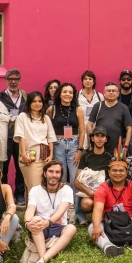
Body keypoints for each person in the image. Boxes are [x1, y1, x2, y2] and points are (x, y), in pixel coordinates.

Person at [23, 161, 78, 263]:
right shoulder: (35, 190)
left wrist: (48, 222)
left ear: (61, 174)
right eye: (51, 171)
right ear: (45, 173)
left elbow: (61, 211)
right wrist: (27, 223)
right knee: (36, 219)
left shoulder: (67, 189)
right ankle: (44, 260)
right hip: (40, 227)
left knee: (72, 228)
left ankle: (41, 261)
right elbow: (30, 209)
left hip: (58, 227)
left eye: (57, 172)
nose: (54, 175)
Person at [46, 83, 85, 222]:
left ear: (74, 95)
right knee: (59, 178)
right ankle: (60, 213)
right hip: (58, 145)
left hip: (74, 145)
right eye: (64, 92)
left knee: (75, 179)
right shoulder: (52, 109)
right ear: (59, 93)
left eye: (70, 92)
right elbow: (47, 128)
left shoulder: (78, 110)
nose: (67, 94)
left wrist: (80, 149)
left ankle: (76, 213)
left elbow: (82, 131)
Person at [14, 91, 56, 203]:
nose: (37, 104)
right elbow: (21, 136)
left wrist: (51, 155)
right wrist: (23, 154)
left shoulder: (45, 118)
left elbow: (51, 137)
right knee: (34, 188)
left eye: (40, 101)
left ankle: (34, 212)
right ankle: (33, 212)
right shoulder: (22, 117)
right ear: (29, 103)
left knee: (42, 188)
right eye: (34, 101)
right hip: (30, 157)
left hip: (45, 157)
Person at [0, 69, 27, 204]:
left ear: (20, 80)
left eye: (16, 79)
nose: (13, 82)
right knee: (3, 166)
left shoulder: (25, 96)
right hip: (5, 137)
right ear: (6, 81)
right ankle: (3, 193)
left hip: (21, 137)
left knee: (20, 166)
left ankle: (19, 195)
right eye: (10, 79)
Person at [75, 127, 112, 224]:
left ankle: (101, 216)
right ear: (92, 138)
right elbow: (76, 182)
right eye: (97, 136)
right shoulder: (86, 157)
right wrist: (90, 192)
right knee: (86, 204)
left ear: (106, 139)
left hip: (106, 191)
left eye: (102, 136)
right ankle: (84, 217)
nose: (100, 139)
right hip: (90, 191)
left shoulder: (110, 157)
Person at [87, 82, 132, 158]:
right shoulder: (98, 106)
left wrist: (126, 146)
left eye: (113, 91)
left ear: (118, 93)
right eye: (108, 91)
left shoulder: (123, 108)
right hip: (99, 147)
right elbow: (89, 125)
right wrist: (92, 142)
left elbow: (129, 129)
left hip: (117, 149)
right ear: (104, 93)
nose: (111, 92)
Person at [78, 70, 103, 149]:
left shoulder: (100, 96)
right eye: (85, 79)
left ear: (94, 81)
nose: (88, 81)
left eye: (90, 79)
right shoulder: (76, 96)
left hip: (96, 130)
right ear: (82, 81)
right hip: (80, 130)